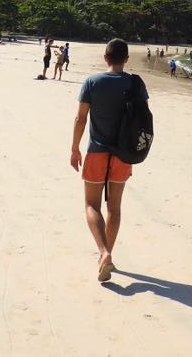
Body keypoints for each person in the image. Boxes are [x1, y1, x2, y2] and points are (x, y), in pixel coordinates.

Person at [70, 38, 150, 282]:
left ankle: (103, 253)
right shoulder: (136, 84)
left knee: (91, 205)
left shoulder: (92, 82)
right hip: (123, 153)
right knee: (114, 207)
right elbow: (142, 117)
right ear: (127, 59)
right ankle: (108, 255)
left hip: (96, 150)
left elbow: (81, 119)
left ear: (105, 57)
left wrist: (75, 149)